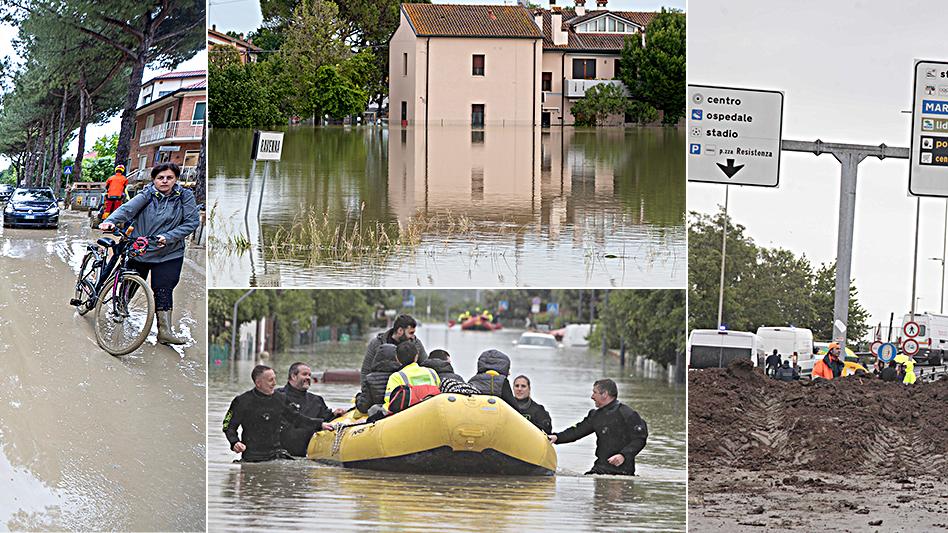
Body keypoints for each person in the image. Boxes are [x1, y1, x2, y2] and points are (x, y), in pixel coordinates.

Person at [99, 163, 199, 345]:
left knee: (163, 288)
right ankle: (120, 311)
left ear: (176, 179)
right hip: (141, 249)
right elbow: (127, 209)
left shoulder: (185, 196)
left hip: (170, 251)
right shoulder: (147, 194)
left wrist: (168, 237)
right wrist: (110, 221)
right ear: (154, 179)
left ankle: (165, 331)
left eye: (169, 177)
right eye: (161, 178)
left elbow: (191, 222)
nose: (165, 181)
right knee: (129, 283)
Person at [222, 365, 333, 462]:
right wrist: (234, 442)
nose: (275, 383)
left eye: (275, 379)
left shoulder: (280, 399)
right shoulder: (241, 401)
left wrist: (320, 424)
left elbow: (297, 419)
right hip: (252, 457)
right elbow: (227, 425)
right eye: (270, 380)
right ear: (258, 383)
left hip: (276, 456)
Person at [549, 379, 648, 476]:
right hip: (600, 468)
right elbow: (577, 431)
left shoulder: (627, 414)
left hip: (623, 472)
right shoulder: (595, 416)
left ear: (604, 394)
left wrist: (623, 455)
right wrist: (557, 437)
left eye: (594, 392)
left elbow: (640, 439)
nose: (592, 397)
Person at [275, 362, 347, 457]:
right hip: (279, 454)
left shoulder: (316, 400)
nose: (308, 378)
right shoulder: (276, 396)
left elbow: (326, 421)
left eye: (310, 375)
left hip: (305, 455)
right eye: (304, 374)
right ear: (293, 376)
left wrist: (335, 414)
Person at [361, 315, 427, 385]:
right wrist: (365, 390)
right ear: (400, 330)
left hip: (407, 389)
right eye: (411, 333)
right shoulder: (377, 343)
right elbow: (365, 370)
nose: (413, 336)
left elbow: (426, 365)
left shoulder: (416, 344)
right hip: (381, 387)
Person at [383, 342, 441, 411]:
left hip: (410, 416)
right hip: (432, 410)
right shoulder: (432, 372)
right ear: (417, 356)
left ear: (397, 358)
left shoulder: (396, 377)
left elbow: (389, 403)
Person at [356, 344, 402, 413]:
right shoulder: (401, 376)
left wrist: (358, 398)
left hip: (377, 415)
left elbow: (363, 407)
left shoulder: (369, 379)